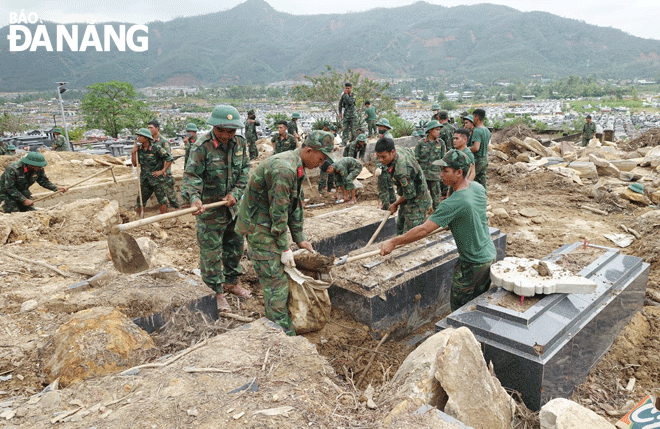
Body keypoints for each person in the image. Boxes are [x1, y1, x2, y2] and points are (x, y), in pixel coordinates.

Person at [235, 130, 334, 335]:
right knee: (275, 283)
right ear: (309, 150)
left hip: (269, 221)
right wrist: (284, 248)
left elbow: (294, 205)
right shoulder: (284, 169)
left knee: (280, 277)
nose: (321, 163)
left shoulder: (297, 166)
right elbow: (278, 215)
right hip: (259, 226)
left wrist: (300, 239)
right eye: (321, 158)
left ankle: (281, 320)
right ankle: (281, 332)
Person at [381, 149, 496, 311]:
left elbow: (423, 230)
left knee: (459, 308)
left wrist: (394, 241)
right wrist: (454, 221)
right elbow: (472, 213)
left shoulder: (453, 203)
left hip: (472, 264)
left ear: (459, 173)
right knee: (478, 304)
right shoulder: (477, 188)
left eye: (445, 170)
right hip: (488, 256)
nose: (441, 174)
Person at [181, 105, 251, 313]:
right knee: (211, 254)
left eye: (232, 131)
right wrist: (194, 199)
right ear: (214, 127)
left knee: (235, 247)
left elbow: (245, 170)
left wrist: (235, 194)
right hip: (210, 211)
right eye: (223, 130)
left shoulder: (240, 143)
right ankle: (216, 293)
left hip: (233, 209)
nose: (227, 135)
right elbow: (192, 176)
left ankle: (231, 282)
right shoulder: (202, 146)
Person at [375, 137, 432, 235]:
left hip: (417, 201)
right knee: (400, 227)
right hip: (406, 198)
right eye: (378, 156)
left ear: (392, 152)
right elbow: (410, 151)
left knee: (411, 234)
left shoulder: (401, 171)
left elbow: (410, 194)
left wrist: (395, 204)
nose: (380, 160)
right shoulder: (397, 149)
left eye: (383, 157)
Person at [0, 152, 67, 213]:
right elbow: (10, 188)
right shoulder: (13, 169)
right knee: (14, 213)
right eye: (37, 166)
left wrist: (56, 188)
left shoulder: (38, 169)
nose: (39, 168)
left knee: (30, 212)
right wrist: (24, 200)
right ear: (29, 164)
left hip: (22, 191)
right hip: (5, 193)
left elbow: (43, 181)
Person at [132, 127, 172, 215]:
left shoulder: (156, 148)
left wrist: (162, 170)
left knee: (162, 200)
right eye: (138, 136)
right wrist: (133, 153)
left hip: (156, 179)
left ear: (146, 138)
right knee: (140, 201)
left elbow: (169, 159)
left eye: (140, 136)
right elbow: (135, 164)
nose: (138, 138)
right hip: (145, 179)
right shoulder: (139, 149)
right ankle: (139, 219)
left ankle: (164, 219)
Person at [148, 120, 180, 209]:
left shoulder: (163, 141)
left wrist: (164, 171)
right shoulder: (150, 141)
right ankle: (164, 208)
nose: (149, 129)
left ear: (157, 128)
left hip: (164, 170)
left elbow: (168, 157)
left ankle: (176, 207)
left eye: (151, 128)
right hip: (155, 170)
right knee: (159, 192)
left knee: (169, 190)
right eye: (148, 128)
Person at [415, 120, 446, 210]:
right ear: (430, 130)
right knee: (421, 198)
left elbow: (443, 160)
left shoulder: (441, 143)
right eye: (436, 130)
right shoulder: (421, 143)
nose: (438, 132)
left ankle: (437, 219)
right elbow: (416, 159)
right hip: (423, 176)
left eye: (439, 130)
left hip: (435, 175)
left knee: (436, 198)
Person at [468, 109, 491, 191]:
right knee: (482, 181)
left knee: (469, 181)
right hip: (485, 159)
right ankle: (483, 198)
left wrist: (466, 149)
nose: (473, 119)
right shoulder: (487, 130)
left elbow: (476, 148)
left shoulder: (477, 131)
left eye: (473, 117)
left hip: (477, 160)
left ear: (477, 117)